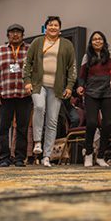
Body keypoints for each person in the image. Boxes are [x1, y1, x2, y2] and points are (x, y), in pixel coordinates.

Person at [24, 16, 76, 167]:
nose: (53, 27)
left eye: (56, 25)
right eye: (50, 25)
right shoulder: (37, 42)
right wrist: (27, 81)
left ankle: (47, 156)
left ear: (60, 29)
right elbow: (27, 63)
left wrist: (69, 86)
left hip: (57, 87)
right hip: (38, 85)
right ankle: (37, 142)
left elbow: (72, 67)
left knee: (52, 120)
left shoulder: (67, 44)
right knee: (39, 107)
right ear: (45, 27)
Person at [0, 23, 31, 167]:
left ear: (23, 35)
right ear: (8, 35)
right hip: (4, 95)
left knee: (22, 128)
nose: (15, 35)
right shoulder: (0, 51)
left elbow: (37, 71)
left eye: (18, 32)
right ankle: (4, 158)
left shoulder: (30, 50)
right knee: (3, 129)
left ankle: (20, 158)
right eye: (12, 32)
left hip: (24, 95)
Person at [77, 31, 111, 167]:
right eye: (94, 39)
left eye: (100, 39)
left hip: (109, 92)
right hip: (91, 93)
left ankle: (100, 156)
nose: (97, 41)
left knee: (108, 123)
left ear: (104, 41)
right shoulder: (86, 57)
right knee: (92, 123)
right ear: (91, 43)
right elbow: (82, 76)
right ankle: (88, 153)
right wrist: (80, 86)